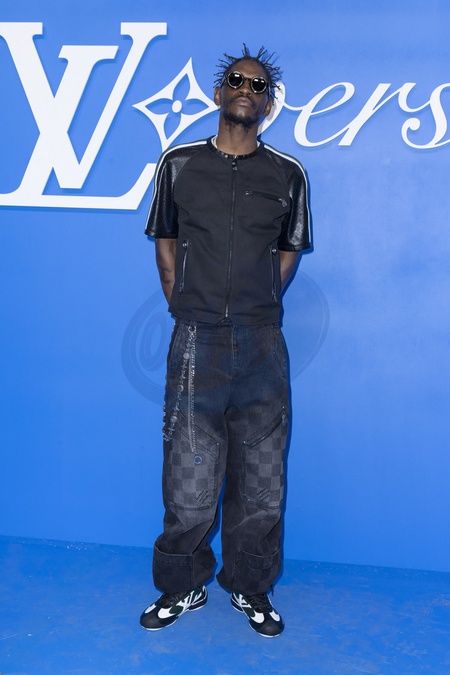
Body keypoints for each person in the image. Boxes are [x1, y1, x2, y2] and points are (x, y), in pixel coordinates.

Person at [140, 45, 311, 638]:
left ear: (268, 104)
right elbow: (165, 240)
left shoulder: (288, 175)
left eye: (259, 85)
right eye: (237, 80)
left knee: (262, 483)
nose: (246, 89)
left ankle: (250, 587)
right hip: (196, 341)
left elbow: (287, 253)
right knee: (188, 483)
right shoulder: (179, 164)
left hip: (263, 345)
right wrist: (183, 301)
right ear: (219, 93)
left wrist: (258, 302)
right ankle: (181, 586)